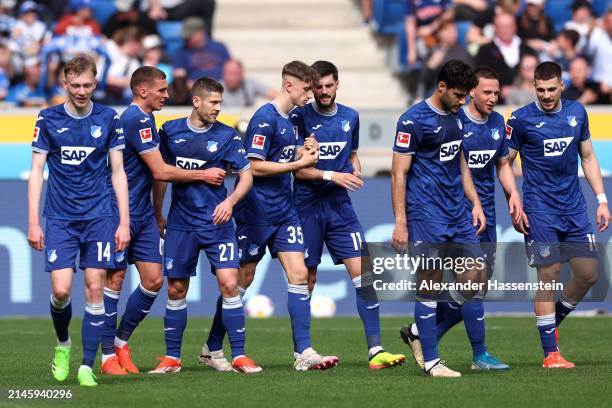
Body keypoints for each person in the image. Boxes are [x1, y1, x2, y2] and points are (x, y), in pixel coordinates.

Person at [199, 61, 339, 372]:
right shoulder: (265, 118)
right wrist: (295, 165)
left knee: (299, 275)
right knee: (241, 281)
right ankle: (211, 346)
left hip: (284, 210)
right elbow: (254, 166)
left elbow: (289, 157)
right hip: (256, 211)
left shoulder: (292, 120)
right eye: (306, 89)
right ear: (289, 86)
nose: (311, 95)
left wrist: (305, 151)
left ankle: (303, 352)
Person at [99, 66, 229, 376]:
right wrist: (203, 174)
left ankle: (120, 341)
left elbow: (155, 175)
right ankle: (107, 357)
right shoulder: (134, 119)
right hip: (118, 211)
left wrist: (157, 211)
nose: (167, 95)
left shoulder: (148, 119)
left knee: (154, 280)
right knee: (114, 280)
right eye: (161, 90)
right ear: (143, 91)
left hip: (142, 212)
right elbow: (160, 170)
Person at [291, 60, 406, 369]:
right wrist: (333, 175)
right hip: (307, 206)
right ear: (311, 87)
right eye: (318, 87)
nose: (324, 91)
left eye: (329, 85)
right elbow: (297, 172)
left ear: (337, 84)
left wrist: (353, 166)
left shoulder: (350, 117)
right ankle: (303, 353)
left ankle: (376, 350)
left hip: (340, 207)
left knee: (365, 277)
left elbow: (351, 153)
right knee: (307, 279)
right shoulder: (298, 117)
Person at [27, 55, 130, 387]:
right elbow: (37, 173)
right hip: (59, 217)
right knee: (60, 291)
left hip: (100, 216)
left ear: (95, 83)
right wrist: (33, 221)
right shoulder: (48, 118)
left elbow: (118, 173)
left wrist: (123, 221)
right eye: (76, 85)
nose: (82, 90)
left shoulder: (108, 118)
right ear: (65, 84)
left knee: (95, 288)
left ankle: (87, 364)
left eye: (87, 85)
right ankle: (63, 344)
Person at [150, 77, 260, 374]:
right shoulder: (170, 132)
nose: (218, 108)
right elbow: (162, 175)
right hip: (181, 224)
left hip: (217, 222)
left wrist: (230, 202)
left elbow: (246, 176)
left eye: (220, 103)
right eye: (213, 102)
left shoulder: (227, 135)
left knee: (229, 284)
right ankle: (172, 357)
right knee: (175, 289)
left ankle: (239, 356)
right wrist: (158, 212)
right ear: (196, 101)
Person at [506, 61, 610, 368]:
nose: (547, 95)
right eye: (541, 89)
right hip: (540, 210)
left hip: (575, 208)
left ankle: (551, 323)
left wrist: (602, 200)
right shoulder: (521, 119)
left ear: (562, 85)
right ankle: (550, 353)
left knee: (588, 274)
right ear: (534, 87)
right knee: (549, 276)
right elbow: (505, 162)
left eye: (552, 89)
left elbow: (588, 156)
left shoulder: (577, 112)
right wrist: (514, 197)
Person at [391, 59, 484, 377]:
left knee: (476, 278)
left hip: (457, 212)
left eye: (467, 95)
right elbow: (398, 173)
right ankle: (431, 360)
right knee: (429, 284)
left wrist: (475, 201)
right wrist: (401, 221)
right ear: (441, 87)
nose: (464, 101)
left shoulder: (458, 117)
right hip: (425, 213)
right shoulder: (412, 120)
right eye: (459, 95)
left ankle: (418, 330)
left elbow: (460, 160)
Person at [433, 66, 523, 370]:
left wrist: (514, 195)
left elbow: (502, 164)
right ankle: (479, 355)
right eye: (487, 92)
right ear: (472, 91)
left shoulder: (498, 122)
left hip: (487, 212)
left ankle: (423, 332)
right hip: (459, 212)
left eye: (497, 92)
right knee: (472, 280)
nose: (493, 98)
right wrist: (469, 203)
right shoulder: (455, 121)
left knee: (478, 285)